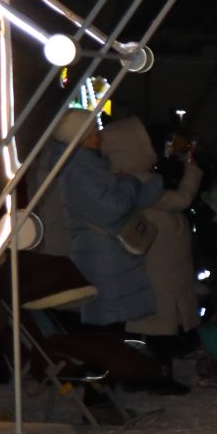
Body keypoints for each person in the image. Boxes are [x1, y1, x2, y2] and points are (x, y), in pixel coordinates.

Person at [39, 111, 166, 333]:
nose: (101, 136)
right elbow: (112, 208)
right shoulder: (76, 171)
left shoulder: (90, 165)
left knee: (112, 325)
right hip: (100, 262)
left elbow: (125, 203)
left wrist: (153, 184)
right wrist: (129, 181)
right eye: (94, 131)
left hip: (107, 258)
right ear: (80, 138)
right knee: (106, 328)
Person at [99, 117, 205, 370]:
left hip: (157, 255)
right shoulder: (137, 179)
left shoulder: (127, 176)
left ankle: (156, 369)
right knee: (158, 316)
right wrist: (192, 170)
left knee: (158, 316)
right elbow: (180, 200)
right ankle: (156, 373)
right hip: (157, 257)